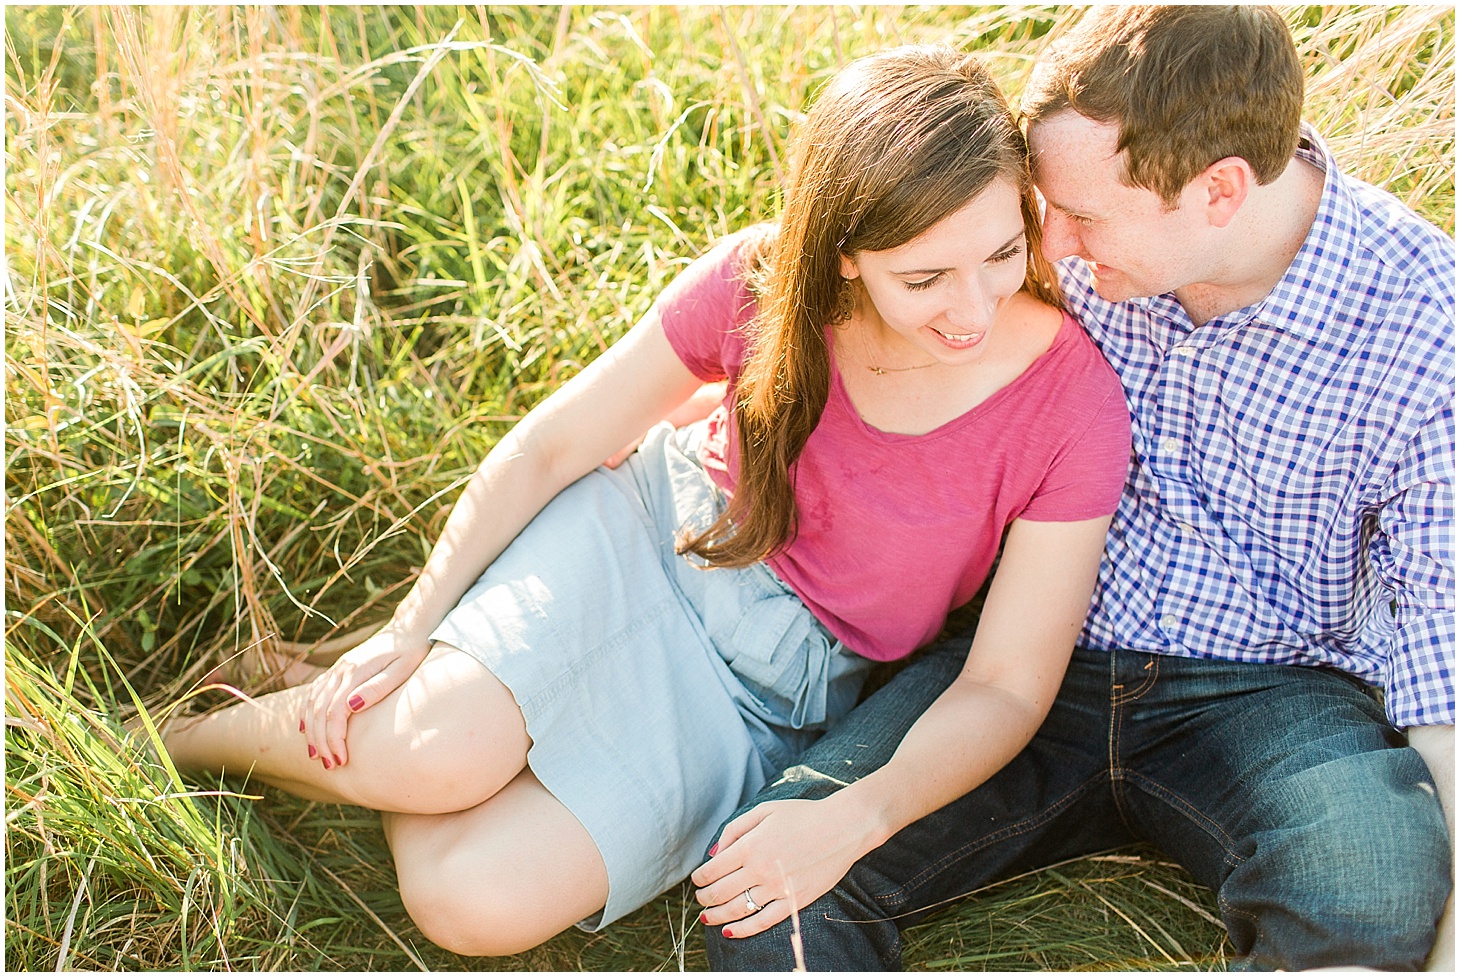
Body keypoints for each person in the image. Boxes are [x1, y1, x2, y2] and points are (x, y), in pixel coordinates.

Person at [156, 45, 1131, 955]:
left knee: (468, 900)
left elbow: (1003, 683)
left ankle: (364, 716)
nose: (972, 308)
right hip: (648, 540)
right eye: (923, 276)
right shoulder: (761, 283)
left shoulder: (1069, 401)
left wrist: (856, 813)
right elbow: (559, 441)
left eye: (1002, 255)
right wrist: (409, 627)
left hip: (766, 692)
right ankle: (180, 736)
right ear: (844, 254)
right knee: (429, 754)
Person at [701, 5, 1454, 971]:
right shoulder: (1047, 254)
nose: (1044, 249)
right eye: (1041, 207)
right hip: (1021, 659)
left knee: (1371, 888)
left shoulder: (1427, 333)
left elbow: (1448, 670)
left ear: (1220, 192)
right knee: (771, 869)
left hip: (1274, 696)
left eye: (1082, 218)